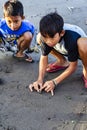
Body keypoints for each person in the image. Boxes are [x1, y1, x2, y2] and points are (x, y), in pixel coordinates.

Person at [29, 12, 87, 96]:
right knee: (39, 38)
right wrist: (39, 79)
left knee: (83, 44)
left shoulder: (71, 37)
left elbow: (73, 66)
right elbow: (44, 57)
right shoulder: (46, 36)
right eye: (45, 37)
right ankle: (62, 61)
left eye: (52, 37)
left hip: (81, 51)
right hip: (64, 49)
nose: (48, 41)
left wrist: (54, 82)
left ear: (62, 33)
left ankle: (86, 71)